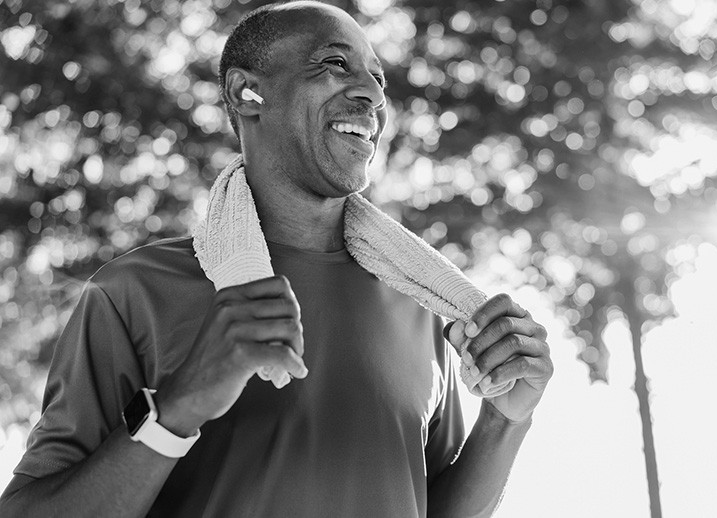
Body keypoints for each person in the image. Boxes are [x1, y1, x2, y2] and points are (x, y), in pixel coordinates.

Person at [0, 1, 553, 516]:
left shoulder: (423, 303)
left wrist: (505, 422)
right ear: (247, 94)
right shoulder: (135, 293)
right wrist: (177, 409)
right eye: (335, 65)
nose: (373, 96)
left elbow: (430, 506)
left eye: (378, 79)